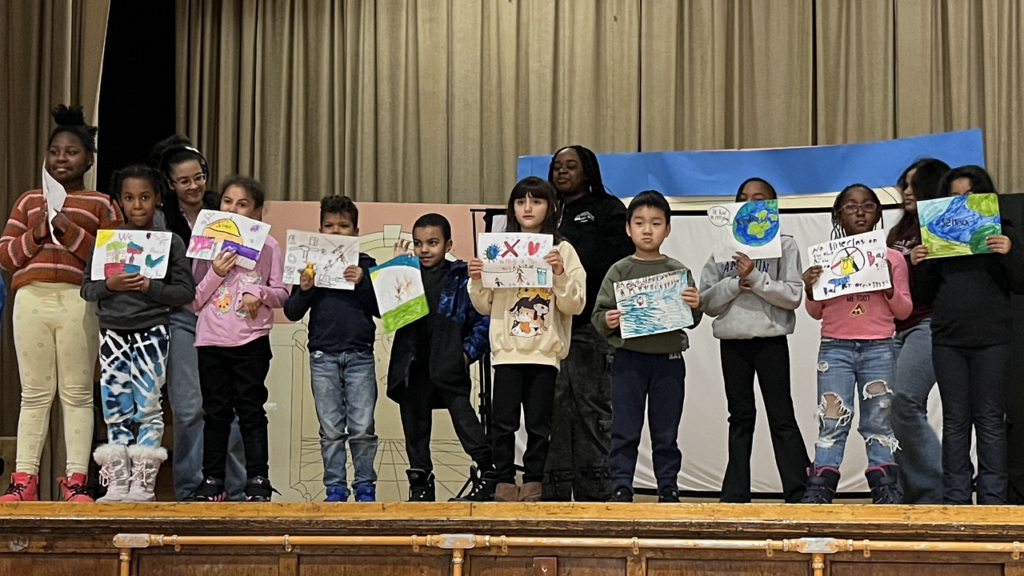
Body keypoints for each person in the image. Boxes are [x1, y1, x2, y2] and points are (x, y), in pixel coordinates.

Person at [0, 105, 124, 502]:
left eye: (71, 152)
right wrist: (37, 233)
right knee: (34, 393)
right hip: (31, 299)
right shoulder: (28, 201)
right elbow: (6, 256)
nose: (61, 159)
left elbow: (112, 263)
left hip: (78, 301)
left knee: (76, 393)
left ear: (88, 159)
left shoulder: (101, 204)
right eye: (55, 151)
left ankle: (75, 482)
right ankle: (24, 482)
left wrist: (69, 232)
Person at [468, 177, 586, 502]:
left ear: (550, 207)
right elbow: (484, 304)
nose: (528, 208)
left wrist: (559, 273)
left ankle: (534, 482)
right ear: (513, 208)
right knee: (503, 424)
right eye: (521, 202)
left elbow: (574, 304)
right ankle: (504, 482)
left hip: (544, 353)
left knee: (538, 425)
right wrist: (477, 279)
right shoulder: (497, 249)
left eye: (536, 201)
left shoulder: (562, 250)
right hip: (506, 352)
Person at [911, 165, 1024, 504]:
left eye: (970, 195)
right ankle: (957, 499)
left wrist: (1010, 253)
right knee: (956, 421)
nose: (963, 201)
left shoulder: (1002, 232)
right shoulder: (936, 236)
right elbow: (923, 297)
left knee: (990, 418)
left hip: (993, 338)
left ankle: (992, 499)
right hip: (948, 339)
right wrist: (919, 264)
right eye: (956, 196)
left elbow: (1020, 284)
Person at [81, 165, 195, 502]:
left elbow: (184, 292)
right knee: (114, 406)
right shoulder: (107, 241)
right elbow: (87, 290)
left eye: (145, 197)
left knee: (147, 407)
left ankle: (143, 483)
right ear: (119, 202)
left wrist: (150, 286)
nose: (138, 205)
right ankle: (117, 482)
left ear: (158, 198)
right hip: (113, 334)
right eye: (129, 198)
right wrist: (109, 284)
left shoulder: (169, 242)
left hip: (152, 333)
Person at [699, 178, 809, 503]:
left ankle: (800, 491)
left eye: (759, 199)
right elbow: (706, 302)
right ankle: (735, 494)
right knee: (740, 417)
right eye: (743, 198)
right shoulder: (723, 249)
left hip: (771, 340)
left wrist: (757, 277)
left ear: (773, 207)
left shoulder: (785, 245)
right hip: (733, 341)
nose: (751, 203)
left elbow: (792, 296)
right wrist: (735, 283)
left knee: (781, 415)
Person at [801, 184, 911, 504]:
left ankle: (885, 488)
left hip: (879, 348)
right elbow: (815, 311)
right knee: (832, 420)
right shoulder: (825, 259)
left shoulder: (891, 258)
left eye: (868, 205)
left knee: (879, 421)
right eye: (851, 207)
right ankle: (820, 489)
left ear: (878, 213)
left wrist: (889, 286)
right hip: (835, 348)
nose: (860, 211)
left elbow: (903, 310)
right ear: (838, 215)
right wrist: (810, 288)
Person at [592, 190, 703, 503]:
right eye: (639, 222)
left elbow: (692, 319)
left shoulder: (677, 271)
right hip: (628, 361)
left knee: (665, 432)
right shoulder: (620, 271)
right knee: (624, 430)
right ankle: (621, 486)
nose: (647, 229)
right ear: (628, 228)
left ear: (667, 229)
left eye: (656, 223)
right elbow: (599, 315)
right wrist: (609, 319)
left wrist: (696, 305)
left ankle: (667, 486)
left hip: (668, 361)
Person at [152, 135, 246, 501]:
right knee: (189, 407)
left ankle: (236, 489)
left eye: (199, 177)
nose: (194, 186)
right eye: (184, 180)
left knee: (232, 408)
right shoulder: (161, 219)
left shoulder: (224, 212)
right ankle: (192, 490)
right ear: (170, 184)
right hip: (183, 318)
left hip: (226, 316)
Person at [187, 176, 288, 501]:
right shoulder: (205, 244)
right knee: (215, 413)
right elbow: (193, 300)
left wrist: (257, 292)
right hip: (211, 342)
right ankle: (212, 480)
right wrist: (216, 270)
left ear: (257, 211)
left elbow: (283, 294)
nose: (233, 208)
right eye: (228, 202)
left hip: (251, 342)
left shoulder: (269, 245)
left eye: (242, 204)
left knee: (251, 412)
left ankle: (258, 479)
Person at [544, 145, 634, 501]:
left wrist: (568, 253)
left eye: (570, 166)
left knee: (594, 412)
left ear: (588, 172)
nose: (562, 172)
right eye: (556, 167)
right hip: (547, 329)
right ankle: (552, 494)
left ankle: (597, 494)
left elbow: (619, 257)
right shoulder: (544, 214)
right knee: (551, 411)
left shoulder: (607, 210)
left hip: (592, 328)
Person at [386, 214, 492, 502]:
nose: (424, 249)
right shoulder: (405, 272)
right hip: (412, 366)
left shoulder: (460, 276)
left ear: (448, 244)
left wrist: (467, 352)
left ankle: (489, 474)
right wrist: (397, 271)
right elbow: (393, 317)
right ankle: (421, 484)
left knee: (465, 420)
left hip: (449, 364)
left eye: (432, 243)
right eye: (418, 243)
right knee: (415, 428)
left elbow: (484, 318)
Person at [283, 195, 380, 503]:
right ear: (320, 228)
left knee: (363, 426)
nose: (336, 231)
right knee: (331, 429)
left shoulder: (365, 263)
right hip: (322, 355)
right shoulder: (308, 264)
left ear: (355, 230)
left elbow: (382, 308)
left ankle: (365, 486)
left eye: (343, 226)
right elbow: (292, 311)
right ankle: (335, 488)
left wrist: (363, 281)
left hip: (360, 354)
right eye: (329, 225)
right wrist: (306, 289)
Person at [886, 158, 949, 504]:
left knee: (904, 400)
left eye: (915, 185)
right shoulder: (899, 232)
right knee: (889, 407)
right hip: (896, 328)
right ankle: (907, 491)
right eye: (904, 185)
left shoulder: (941, 226)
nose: (907, 192)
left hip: (928, 323)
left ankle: (932, 492)